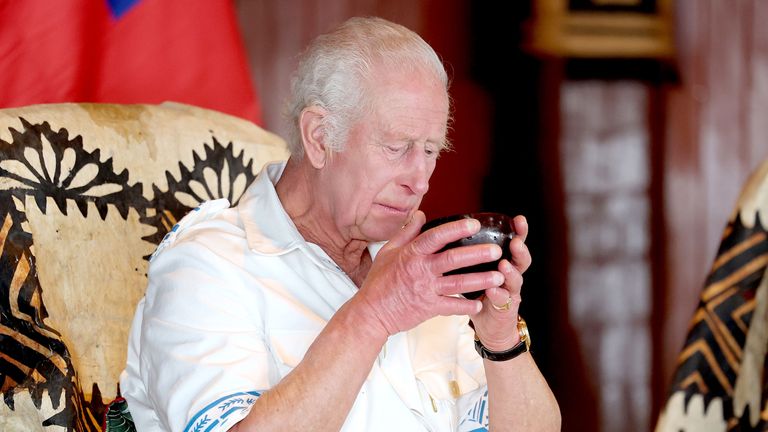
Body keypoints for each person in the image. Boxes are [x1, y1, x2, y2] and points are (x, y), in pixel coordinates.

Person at [120, 16, 561, 432]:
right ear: (318, 137)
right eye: (396, 147)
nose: (419, 180)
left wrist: (500, 337)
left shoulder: (415, 267)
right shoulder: (207, 265)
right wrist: (374, 315)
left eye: (430, 150)